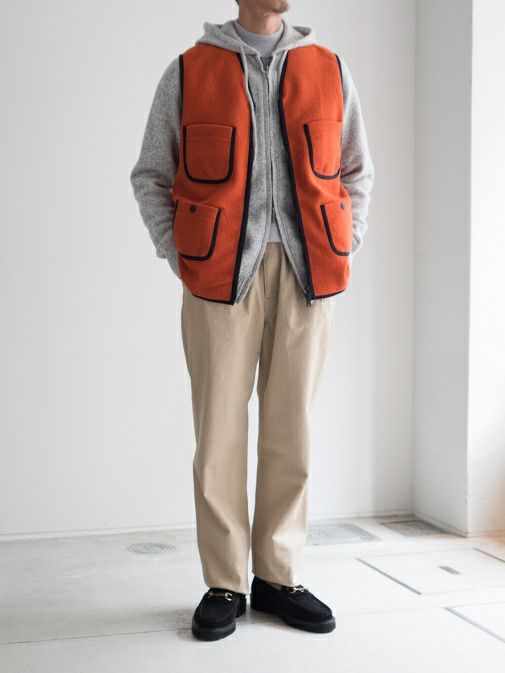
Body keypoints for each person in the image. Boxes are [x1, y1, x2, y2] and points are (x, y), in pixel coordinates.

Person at [130, 0, 374, 642]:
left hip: (307, 270)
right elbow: (151, 174)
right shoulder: (190, 70)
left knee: (293, 429)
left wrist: (346, 241)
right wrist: (181, 254)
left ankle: (277, 575)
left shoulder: (328, 67)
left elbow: (357, 170)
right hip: (218, 278)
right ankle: (224, 583)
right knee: (218, 433)